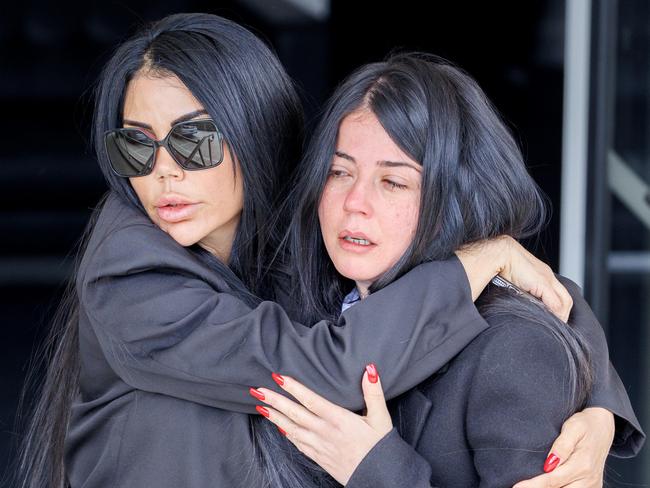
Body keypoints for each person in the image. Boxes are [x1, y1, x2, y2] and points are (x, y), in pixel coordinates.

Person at [15, 14, 641, 488]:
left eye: (194, 141)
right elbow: (325, 370)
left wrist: (598, 406)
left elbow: (540, 302)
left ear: (250, 131)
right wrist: (477, 261)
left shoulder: (304, 218)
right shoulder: (131, 267)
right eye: (136, 146)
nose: (163, 174)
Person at [246, 53, 646, 487]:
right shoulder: (296, 308)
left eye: (393, 182)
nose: (353, 202)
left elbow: (553, 307)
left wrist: (376, 471)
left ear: (454, 200)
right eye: (339, 172)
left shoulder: (512, 351)